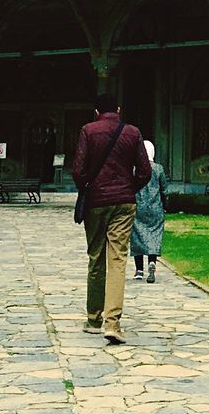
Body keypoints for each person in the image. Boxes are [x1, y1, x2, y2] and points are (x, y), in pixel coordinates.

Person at [72, 94, 151, 345]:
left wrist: (89, 188)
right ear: (118, 109)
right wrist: (129, 188)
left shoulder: (88, 130)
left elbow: (78, 170)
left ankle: (94, 318)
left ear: (96, 112)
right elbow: (145, 171)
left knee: (96, 257)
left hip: (96, 203)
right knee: (117, 260)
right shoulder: (132, 132)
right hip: (124, 203)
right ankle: (113, 323)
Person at [132, 140, 168, 284]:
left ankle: (139, 270)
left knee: (137, 237)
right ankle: (151, 263)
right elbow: (164, 189)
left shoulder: (135, 169)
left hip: (138, 207)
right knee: (154, 236)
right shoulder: (158, 169)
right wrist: (165, 205)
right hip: (155, 207)